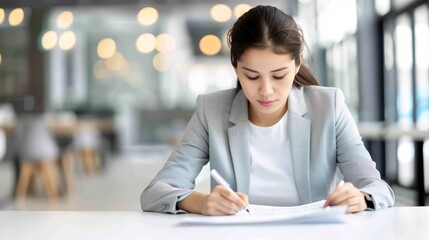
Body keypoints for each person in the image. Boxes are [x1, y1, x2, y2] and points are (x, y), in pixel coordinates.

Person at [141, 5, 395, 216]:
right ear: (236, 67)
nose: (266, 90)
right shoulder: (212, 110)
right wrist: (201, 202)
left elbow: (378, 188)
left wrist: (360, 197)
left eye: (278, 75)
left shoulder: (329, 106)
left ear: (297, 64)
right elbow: (155, 192)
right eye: (251, 76)